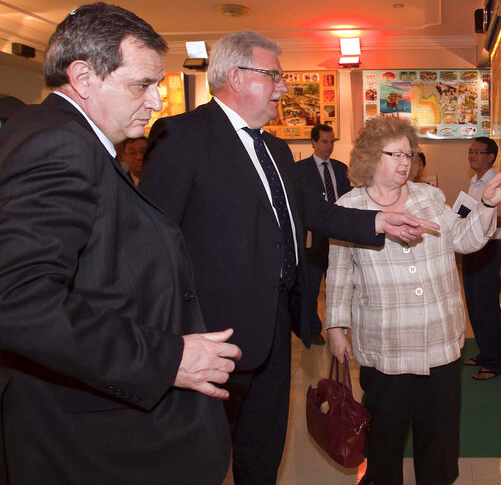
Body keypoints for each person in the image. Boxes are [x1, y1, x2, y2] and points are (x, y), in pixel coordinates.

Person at [139, 31, 437, 485]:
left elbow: (312, 213)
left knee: (263, 448)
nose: (283, 87)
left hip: (276, 329)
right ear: (236, 77)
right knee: (203, 456)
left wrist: (377, 222)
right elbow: (154, 242)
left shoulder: (276, 148)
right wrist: (173, 337)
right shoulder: (183, 136)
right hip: (211, 336)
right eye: (274, 76)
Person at [0, 2, 241, 484]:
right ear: (84, 77)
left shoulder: (63, 136)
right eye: (142, 85)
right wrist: (168, 358)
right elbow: (19, 302)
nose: (157, 102)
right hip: (93, 443)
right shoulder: (59, 145)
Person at [326, 117, 501, 485]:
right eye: (393, 154)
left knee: (439, 443)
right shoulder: (348, 207)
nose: (403, 162)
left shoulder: (428, 196)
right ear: (369, 156)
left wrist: (488, 205)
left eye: (408, 154)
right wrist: (335, 326)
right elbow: (339, 272)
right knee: (384, 441)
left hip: (439, 343)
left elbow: (463, 239)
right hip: (387, 347)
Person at [295, 123, 352, 345]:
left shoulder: (341, 168)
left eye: (332, 142)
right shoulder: (300, 170)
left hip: (338, 235)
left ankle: (336, 328)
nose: (329, 146)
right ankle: (311, 329)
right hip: (314, 236)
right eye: (324, 142)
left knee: (337, 286)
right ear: (314, 142)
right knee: (310, 288)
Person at [461, 136, 501, 380]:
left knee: (488, 307)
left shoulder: (496, 181)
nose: (472, 156)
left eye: (478, 152)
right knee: (473, 304)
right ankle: (484, 353)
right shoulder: (474, 181)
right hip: (471, 247)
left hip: (489, 249)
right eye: (470, 151)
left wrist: (481, 215)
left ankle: (495, 363)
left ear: (491, 157)